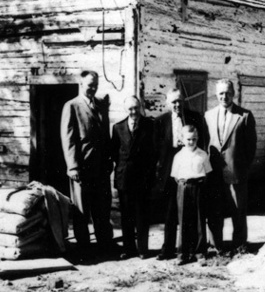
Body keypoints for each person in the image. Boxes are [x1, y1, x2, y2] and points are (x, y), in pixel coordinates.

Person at [60, 70, 113, 253]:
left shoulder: (101, 105)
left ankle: (104, 246)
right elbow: (68, 139)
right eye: (90, 85)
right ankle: (83, 250)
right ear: (81, 84)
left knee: (102, 209)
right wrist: (72, 166)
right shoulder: (72, 106)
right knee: (82, 210)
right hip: (82, 168)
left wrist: (109, 161)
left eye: (95, 84)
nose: (93, 88)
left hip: (101, 168)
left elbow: (105, 135)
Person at [155, 88, 208, 260]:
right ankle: (168, 249)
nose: (177, 104)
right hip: (170, 173)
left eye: (179, 101)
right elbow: (155, 149)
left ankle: (191, 249)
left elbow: (203, 140)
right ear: (167, 103)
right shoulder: (160, 121)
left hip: (190, 170)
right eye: (173, 102)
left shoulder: (194, 117)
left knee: (191, 213)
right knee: (170, 213)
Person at [205, 79, 256, 252]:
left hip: (236, 171)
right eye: (220, 93)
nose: (224, 96)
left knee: (238, 210)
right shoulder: (208, 115)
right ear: (216, 94)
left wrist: (241, 167)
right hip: (214, 172)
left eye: (227, 92)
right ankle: (216, 244)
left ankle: (239, 244)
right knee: (214, 210)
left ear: (233, 93)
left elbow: (251, 148)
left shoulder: (245, 116)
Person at [111, 96, 156, 259]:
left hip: (143, 178)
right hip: (125, 179)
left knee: (142, 216)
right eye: (130, 108)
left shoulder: (150, 125)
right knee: (126, 216)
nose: (133, 112)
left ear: (140, 107)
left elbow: (153, 153)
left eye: (136, 108)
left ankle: (143, 249)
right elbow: (115, 153)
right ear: (126, 109)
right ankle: (128, 249)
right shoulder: (117, 127)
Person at [170, 125, 212, 265]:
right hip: (183, 187)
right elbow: (175, 176)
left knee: (199, 219)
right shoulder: (178, 156)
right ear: (182, 139)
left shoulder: (203, 154)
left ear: (198, 138)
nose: (191, 142)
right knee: (183, 221)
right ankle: (183, 253)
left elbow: (207, 173)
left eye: (194, 139)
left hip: (199, 187)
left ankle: (200, 253)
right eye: (188, 139)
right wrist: (185, 184)